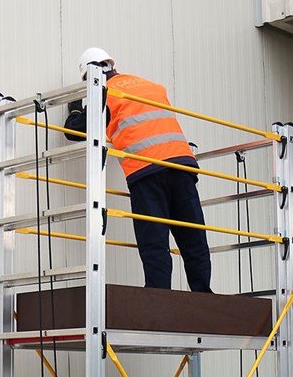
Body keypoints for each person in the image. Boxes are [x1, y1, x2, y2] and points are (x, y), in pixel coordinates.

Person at [65, 47, 212, 293]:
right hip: (182, 165)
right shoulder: (151, 86)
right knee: (193, 237)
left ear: (89, 77)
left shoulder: (106, 93)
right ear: (113, 65)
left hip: (146, 170)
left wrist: (76, 110)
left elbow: (73, 130)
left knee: (154, 241)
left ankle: (158, 298)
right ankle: (204, 294)